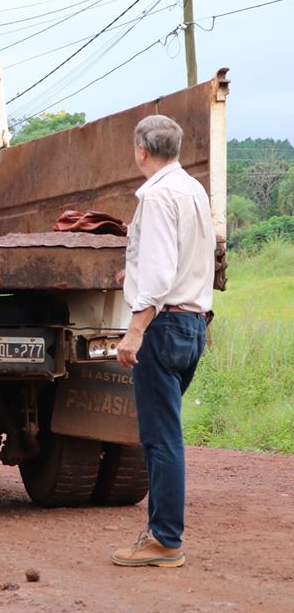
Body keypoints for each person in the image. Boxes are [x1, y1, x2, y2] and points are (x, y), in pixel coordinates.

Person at [111, 115, 214, 568]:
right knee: (165, 435)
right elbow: (183, 257)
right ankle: (161, 535)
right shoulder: (193, 190)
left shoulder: (155, 197)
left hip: (162, 328)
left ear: (141, 150)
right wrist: (133, 274)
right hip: (193, 323)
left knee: (160, 439)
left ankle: (165, 540)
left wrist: (135, 330)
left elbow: (157, 271)